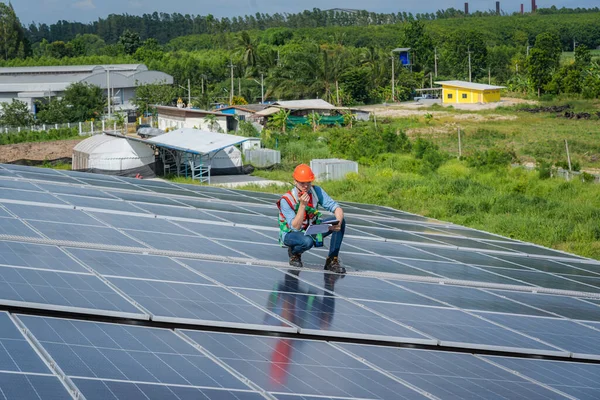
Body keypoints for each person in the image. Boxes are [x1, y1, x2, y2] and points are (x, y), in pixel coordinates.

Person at [276, 164, 346, 273]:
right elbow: (295, 227)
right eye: (302, 183)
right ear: (295, 181)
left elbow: (336, 207)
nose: (305, 186)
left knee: (339, 221)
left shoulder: (316, 191)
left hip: (311, 228)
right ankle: (295, 253)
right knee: (307, 241)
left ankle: (332, 259)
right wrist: (302, 205)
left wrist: (338, 222)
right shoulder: (287, 200)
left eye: (308, 182)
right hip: (291, 234)